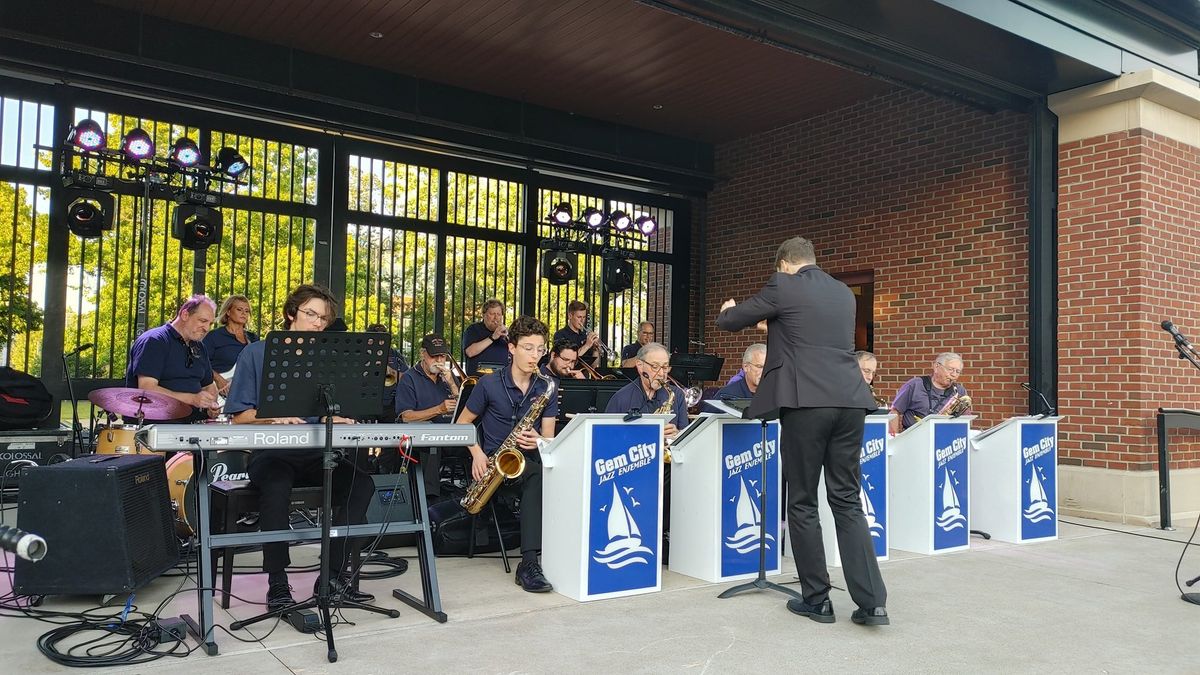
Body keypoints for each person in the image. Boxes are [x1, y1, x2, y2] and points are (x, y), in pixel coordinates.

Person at [717, 236, 888, 627]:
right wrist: (774, 322)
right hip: (850, 401)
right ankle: (873, 602)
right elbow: (808, 336)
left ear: (784, 264)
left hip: (807, 403)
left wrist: (728, 309)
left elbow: (730, 321)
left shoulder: (783, 285)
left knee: (803, 501)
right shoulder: (843, 293)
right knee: (846, 500)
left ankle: (817, 600)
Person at [224, 284, 375, 613]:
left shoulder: (326, 359)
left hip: (315, 453)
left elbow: (323, 409)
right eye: (311, 314)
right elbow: (239, 416)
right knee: (276, 487)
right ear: (291, 313)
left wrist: (335, 417)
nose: (318, 323)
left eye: (323, 318)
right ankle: (277, 583)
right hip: (271, 455)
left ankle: (332, 578)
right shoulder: (256, 353)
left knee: (361, 484)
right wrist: (274, 416)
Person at [456, 315, 558, 593]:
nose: (534, 355)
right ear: (511, 348)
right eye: (527, 347)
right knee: (536, 478)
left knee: (546, 473)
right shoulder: (488, 384)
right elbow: (462, 424)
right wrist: (476, 453)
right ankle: (528, 563)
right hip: (494, 464)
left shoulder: (547, 386)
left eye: (540, 349)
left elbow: (549, 438)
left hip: (530, 460)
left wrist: (539, 440)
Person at [124, 295, 220, 422]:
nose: (207, 328)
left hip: (193, 426)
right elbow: (147, 389)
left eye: (210, 323)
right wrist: (192, 399)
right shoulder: (155, 340)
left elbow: (209, 385)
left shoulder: (199, 347)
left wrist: (212, 405)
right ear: (185, 315)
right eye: (202, 321)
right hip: (156, 426)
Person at [395, 333, 460, 502]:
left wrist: (453, 385)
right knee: (432, 442)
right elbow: (406, 416)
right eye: (434, 356)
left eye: (443, 356)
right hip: (425, 438)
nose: (439, 360)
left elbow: (468, 408)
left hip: (453, 434)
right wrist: (439, 409)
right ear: (423, 354)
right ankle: (430, 501)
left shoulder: (448, 378)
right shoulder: (409, 378)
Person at [887, 352, 971, 435]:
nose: (954, 375)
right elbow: (895, 411)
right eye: (950, 369)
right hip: (914, 438)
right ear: (936, 366)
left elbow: (965, 420)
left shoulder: (959, 391)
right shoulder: (915, 385)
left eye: (958, 371)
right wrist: (894, 437)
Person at [203, 295, 258, 398]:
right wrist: (218, 379)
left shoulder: (253, 339)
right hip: (218, 393)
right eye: (239, 309)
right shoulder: (214, 336)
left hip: (246, 393)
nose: (243, 313)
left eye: (247, 311)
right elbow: (200, 362)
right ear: (228, 312)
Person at [368, 323, 410, 420]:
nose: (380, 343)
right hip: (365, 402)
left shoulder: (395, 355)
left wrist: (391, 371)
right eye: (375, 340)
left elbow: (407, 379)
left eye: (382, 340)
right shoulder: (360, 353)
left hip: (389, 403)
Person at [462, 299, 510, 375]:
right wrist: (493, 337)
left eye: (499, 314)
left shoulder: (506, 333)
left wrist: (508, 338)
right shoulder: (473, 329)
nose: (496, 317)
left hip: (502, 379)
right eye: (492, 314)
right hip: (479, 380)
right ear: (484, 315)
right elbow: (470, 352)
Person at [553, 300, 601, 368]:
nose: (582, 320)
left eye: (584, 317)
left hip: (584, 377)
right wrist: (586, 345)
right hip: (567, 377)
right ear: (570, 316)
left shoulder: (585, 336)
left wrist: (595, 350)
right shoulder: (560, 335)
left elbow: (593, 366)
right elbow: (567, 361)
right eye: (579, 317)